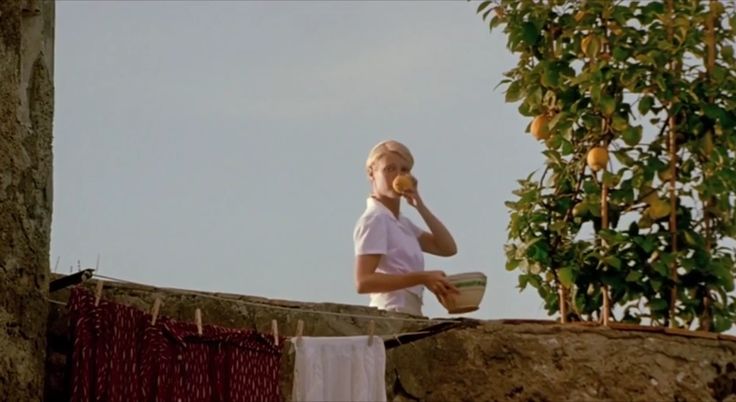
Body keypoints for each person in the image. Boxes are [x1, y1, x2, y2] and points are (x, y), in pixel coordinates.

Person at [353, 140, 459, 316]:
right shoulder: (375, 219)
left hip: (409, 312)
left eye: (404, 170)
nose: (397, 176)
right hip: (390, 312)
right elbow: (363, 281)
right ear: (372, 173)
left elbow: (447, 248)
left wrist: (420, 206)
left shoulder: (401, 222)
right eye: (389, 169)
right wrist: (422, 277)